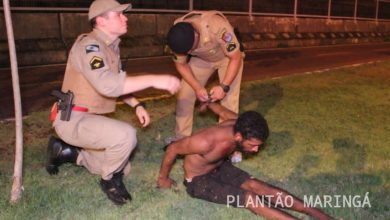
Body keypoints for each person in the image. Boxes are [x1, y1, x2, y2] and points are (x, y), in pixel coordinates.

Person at [46, 0, 180, 205]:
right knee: (125, 136)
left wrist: (136, 105)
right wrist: (155, 79)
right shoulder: (89, 47)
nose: (125, 17)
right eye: (119, 14)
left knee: (123, 165)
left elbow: (116, 85)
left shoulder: (108, 47)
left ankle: (66, 152)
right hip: (71, 118)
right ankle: (109, 181)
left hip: (84, 116)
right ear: (101, 20)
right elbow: (108, 85)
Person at [157, 102, 332, 219]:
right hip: (198, 181)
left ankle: (324, 217)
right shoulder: (205, 141)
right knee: (250, 198)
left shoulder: (238, 123)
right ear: (239, 136)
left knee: (261, 188)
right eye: (253, 145)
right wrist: (163, 179)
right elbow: (173, 149)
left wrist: (209, 102)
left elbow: (222, 111)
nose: (256, 150)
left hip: (220, 167)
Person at [165, 11, 245, 148]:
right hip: (203, 60)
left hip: (228, 59)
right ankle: (181, 139)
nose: (188, 53)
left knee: (228, 101)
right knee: (185, 94)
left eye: (190, 49)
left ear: (196, 35)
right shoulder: (178, 33)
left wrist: (224, 86)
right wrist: (197, 87)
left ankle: (227, 145)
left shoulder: (216, 25)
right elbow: (180, 64)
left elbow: (236, 57)